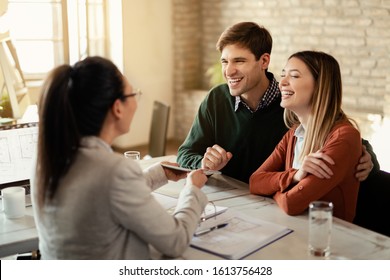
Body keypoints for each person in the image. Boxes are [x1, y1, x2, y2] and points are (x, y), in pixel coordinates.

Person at [31, 56, 208, 259]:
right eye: (133, 93)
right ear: (117, 108)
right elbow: (176, 240)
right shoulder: (114, 170)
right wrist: (192, 190)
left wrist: (158, 174)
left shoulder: (46, 159)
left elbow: (102, 193)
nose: (136, 100)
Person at [177, 21, 377, 184]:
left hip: (274, 202)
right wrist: (203, 164)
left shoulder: (293, 101)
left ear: (264, 61)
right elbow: (186, 153)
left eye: (239, 61)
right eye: (224, 61)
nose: (228, 71)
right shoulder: (216, 99)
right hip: (230, 202)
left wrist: (368, 156)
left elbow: (345, 136)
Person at [249, 51, 361, 222]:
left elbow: (291, 203)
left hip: (329, 239)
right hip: (291, 228)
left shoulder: (344, 137)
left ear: (320, 86)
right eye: (283, 75)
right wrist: (294, 176)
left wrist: (276, 190)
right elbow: (255, 181)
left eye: (294, 76)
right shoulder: (294, 133)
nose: (282, 83)